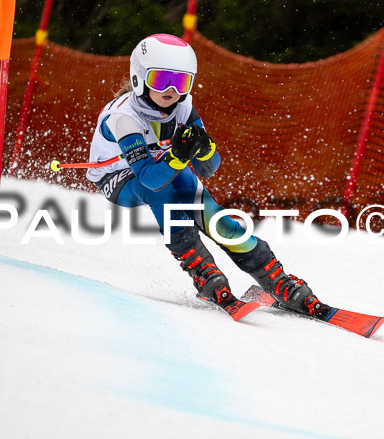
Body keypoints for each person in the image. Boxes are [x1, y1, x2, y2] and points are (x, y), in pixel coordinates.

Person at [86, 33, 322, 315]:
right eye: (161, 80)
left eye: (181, 81)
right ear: (140, 77)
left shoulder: (183, 107)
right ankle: (204, 272)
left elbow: (209, 168)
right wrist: (177, 157)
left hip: (160, 167)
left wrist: (204, 147)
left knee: (202, 201)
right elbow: (148, 178)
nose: (171, 90)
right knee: (160, 190)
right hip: (120, 178)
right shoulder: (124, 118)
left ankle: (274, 277)